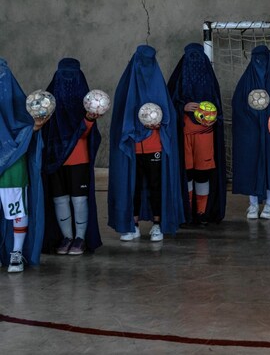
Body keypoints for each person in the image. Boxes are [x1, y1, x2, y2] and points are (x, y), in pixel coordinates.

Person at [108, 45, 184, 242]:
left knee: (155, 185)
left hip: (155, 147)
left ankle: (157, 224)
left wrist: (162, 122)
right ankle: (132, 225)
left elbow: (169, 115)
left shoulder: (158, 85)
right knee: (133, 186)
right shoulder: (126, 87)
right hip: (132, 148)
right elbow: (119, 117)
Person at [41, 58, 102, 255]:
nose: (67, 79)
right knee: (59, 198)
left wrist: (89, 119)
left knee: (79, 199)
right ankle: (66, 236)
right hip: (54, 158)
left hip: (78, 157)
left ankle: (80, 238)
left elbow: (87, 134)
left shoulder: (87, 102)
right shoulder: (48, 102)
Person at [168, 43, 227, 225]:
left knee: (203, 174)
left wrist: (213, 115)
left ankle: (202, 213)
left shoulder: (209, 79)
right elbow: (168, 104)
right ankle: (187, 212)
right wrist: (182, 107)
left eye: (198, 57)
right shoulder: (177, 80)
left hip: (205, 135)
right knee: (187, 174)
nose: (194, 61)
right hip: (184, 136)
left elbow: (218, 107)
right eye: (190, 57)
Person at [232, 45, 270, 220]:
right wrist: (252, 118)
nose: (259, 63)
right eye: (256, 59)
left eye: (262, 59)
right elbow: (238, 105)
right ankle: (253, 204)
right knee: (251, 165)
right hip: (251, 133)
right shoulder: (245, 81)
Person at [0, 58, 47, 272]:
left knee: (17, 208)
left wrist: (35, 127)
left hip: (13, 170)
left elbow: (26, 129)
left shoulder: (18, 103)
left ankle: (16, 253)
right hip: (12, 168)